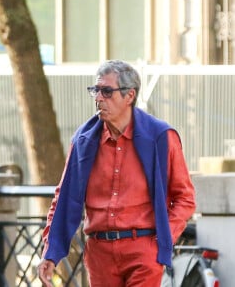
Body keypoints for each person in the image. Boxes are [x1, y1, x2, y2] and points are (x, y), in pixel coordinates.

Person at [38, 60, 196, 287]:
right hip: (99, 253)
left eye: (107, 91)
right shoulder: (83, 140)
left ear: (129, 96)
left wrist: (163, 240)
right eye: (96, 90)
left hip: (143, 249)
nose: (98, 98)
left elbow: (185, 197)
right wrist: (50, 253)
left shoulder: (160, 137)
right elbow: (63, 198)